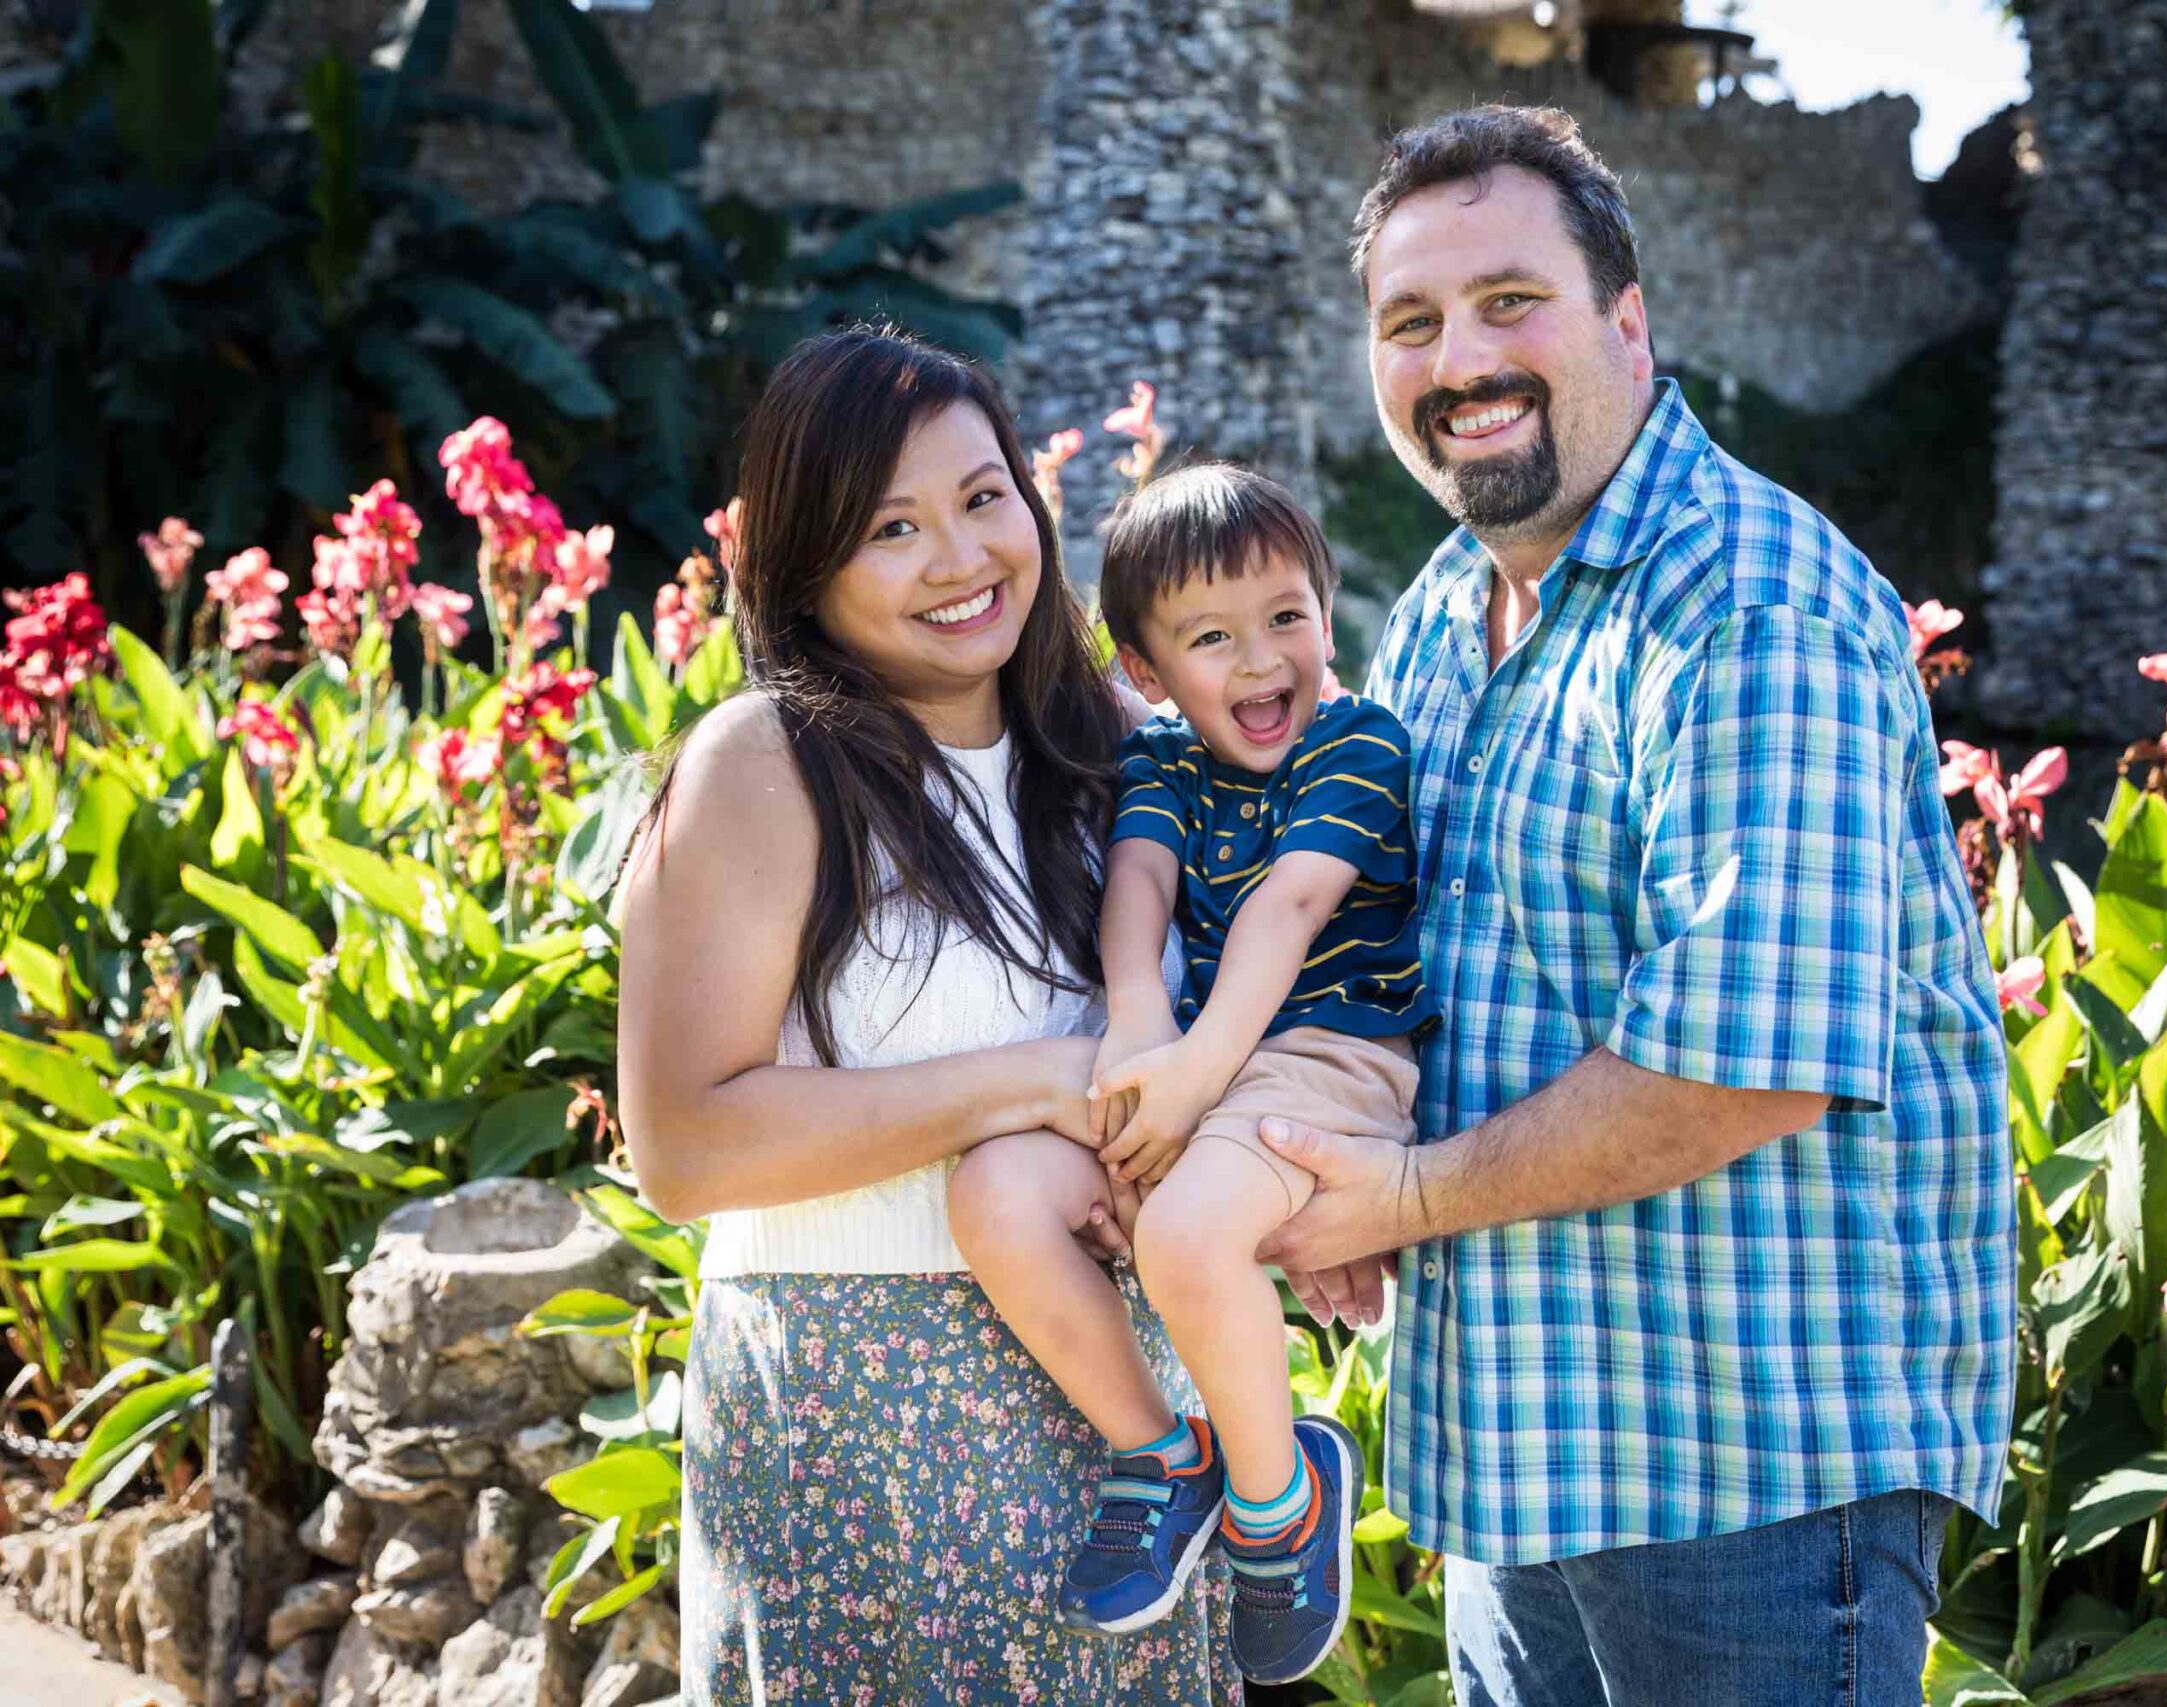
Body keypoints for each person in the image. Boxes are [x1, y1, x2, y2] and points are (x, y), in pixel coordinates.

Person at [1252, 105, 2016, 1704]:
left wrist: (1398, 1196)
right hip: (1524, 1456)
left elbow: (1745, 1059)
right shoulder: (1446, 627)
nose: (1459, 357)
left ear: (1628, 319)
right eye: (1412, 323)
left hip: (1748, 1475)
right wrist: (1322, 1146)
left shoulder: (1749, 602)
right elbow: (1419, 971)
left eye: (1507, 301)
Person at [614, 327, 1237, 1705]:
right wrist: (1029, 1082)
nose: (961, 558)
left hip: (1121, 1432)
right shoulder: (763, 764)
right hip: (845, 1414)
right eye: (893, 525)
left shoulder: (1122, 753)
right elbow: (682, 1143)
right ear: (807, 563)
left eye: (982, 496)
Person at [947, 464, 1438, 1687]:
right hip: (1201, 1054)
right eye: (1213, 639)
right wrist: (1132, 1043)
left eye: (1288, 617)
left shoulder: (1355, 739)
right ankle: (1163, 1453)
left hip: (1330, 1052)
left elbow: (1287, 907)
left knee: (1184, 1231)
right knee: (997, 1188)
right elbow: (1139, 889)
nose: (1263, 659)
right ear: (1149, 676)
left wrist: (1187, 1078)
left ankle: (1280, 1505)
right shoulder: (1162, 756)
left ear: (1329, 615)